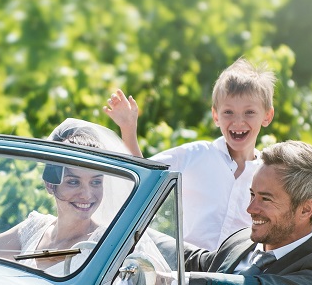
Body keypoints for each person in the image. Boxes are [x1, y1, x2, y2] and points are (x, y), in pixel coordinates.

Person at [104, 58, 275, 251]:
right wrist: (128, 128)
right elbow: (143, 176)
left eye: (249, 112)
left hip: (238, 275)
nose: (238, 122)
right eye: (228, 112)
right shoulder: (195, 155)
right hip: (189, 271)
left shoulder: (268, 173)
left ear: (267, 116)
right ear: (216, 116)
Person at [0, 120, 125, 274]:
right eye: (73, 182)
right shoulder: (33, 229)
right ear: (49, 184)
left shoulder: (108, 243)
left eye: (96, 182)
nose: (88, 194)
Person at [182, 140, 312, 285]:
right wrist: (153, 240)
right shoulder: (241, 241)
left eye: (265, 199)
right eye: (252, 194)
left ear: (305, 209)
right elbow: (196, 261)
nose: (250, 209)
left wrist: (178, 283)